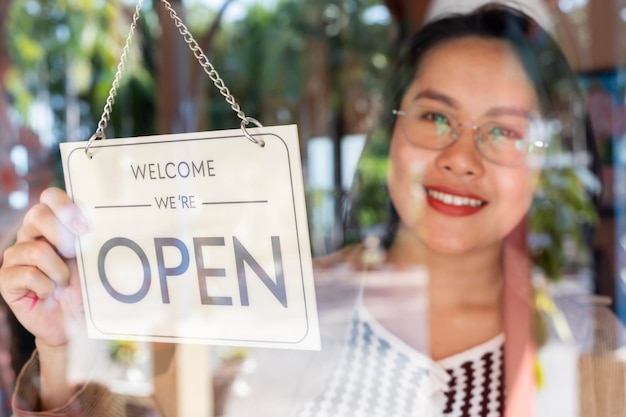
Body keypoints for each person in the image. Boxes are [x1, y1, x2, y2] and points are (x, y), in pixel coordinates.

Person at [0, 3, 621, 417]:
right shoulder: (271, 305)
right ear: (389, 135)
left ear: (551, 159)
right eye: (435, 117)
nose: (462, 157)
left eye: (505, 131)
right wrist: (65, 348)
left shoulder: (600, 352)